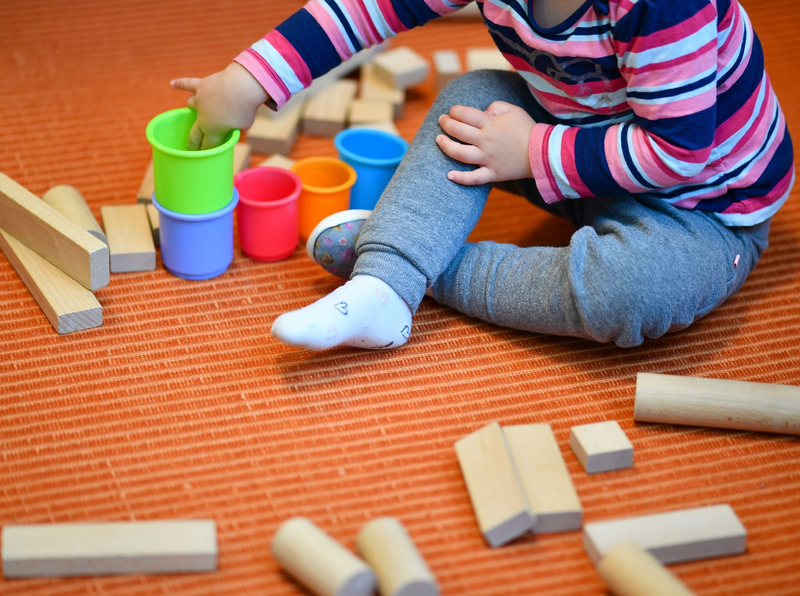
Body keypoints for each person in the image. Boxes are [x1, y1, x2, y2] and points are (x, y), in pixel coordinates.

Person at [172, 0, 794, 350]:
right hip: (571, 140)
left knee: (629, 293)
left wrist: (533, 152)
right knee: (470, 99)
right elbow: (365, 10)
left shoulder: (663, 5)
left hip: (702, 207)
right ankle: (386, 287)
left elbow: (681, 152)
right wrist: (249, 79)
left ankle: (412, 264)